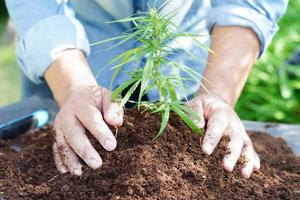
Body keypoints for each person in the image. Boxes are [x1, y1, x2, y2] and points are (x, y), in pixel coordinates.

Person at [5, 0, 287, 178]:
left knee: (196, 134)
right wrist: (73, 87)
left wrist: (218, 94)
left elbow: (249, 5)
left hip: (187, 58)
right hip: (74, 55)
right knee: (69, 136)